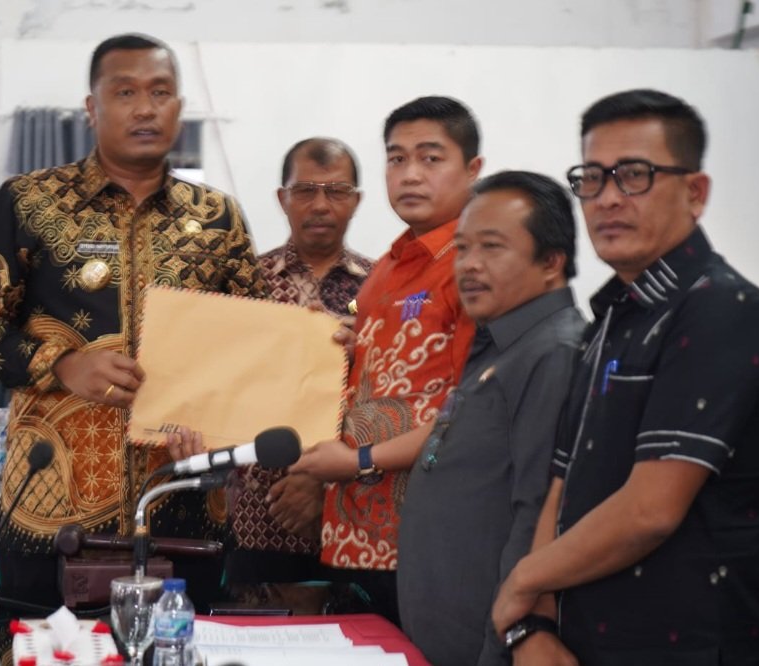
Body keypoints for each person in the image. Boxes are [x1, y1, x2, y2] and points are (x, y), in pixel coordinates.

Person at [0, 33, 267, 624]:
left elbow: (249, 347)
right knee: (48, 655)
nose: (145, 108)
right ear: (92, 108)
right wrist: (61, 365)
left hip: (182, 506)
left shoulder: (219, 218)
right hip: (51, 511)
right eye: (125, 93)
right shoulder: (30, 202)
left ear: (179, 107)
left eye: (161, 93)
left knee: (176, 653)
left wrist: (228, 421)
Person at [491, 89, 759, 666]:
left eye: (634, 175)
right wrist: (534, 624)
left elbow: (650, 511)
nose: (607, 198)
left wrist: (522, 581)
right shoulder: (612, 316)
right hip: (586, 642)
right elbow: (563, 484)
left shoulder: (722, 310)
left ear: (695, 192)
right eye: (592, 178)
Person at [293, 170, 585, 663]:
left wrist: (510, 639)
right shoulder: (501, 345)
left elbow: (537, 516)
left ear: (551, 261)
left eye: (491, 247)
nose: (468, 265)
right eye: (463, 249)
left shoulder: (554, 354)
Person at [298, 96, 481, 626]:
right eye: (397, 158)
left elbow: (470, 414)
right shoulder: (386, 267)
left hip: (428, 541)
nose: (410, 174)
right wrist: (348, 346)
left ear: (472, 169)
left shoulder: (474, 266)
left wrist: (358, 461)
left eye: (431, 158)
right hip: (358, 537)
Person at [226, 138, 374, 599]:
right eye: (306, 190)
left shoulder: (382, 288)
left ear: (356, 201)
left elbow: (391, 400)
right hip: (257, 511)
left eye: (337, 191)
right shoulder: (245, 283)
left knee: (352, 631)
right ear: (282, 198)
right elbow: (224, 385)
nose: (321, 205)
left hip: (353, 510)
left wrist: (324, 483)